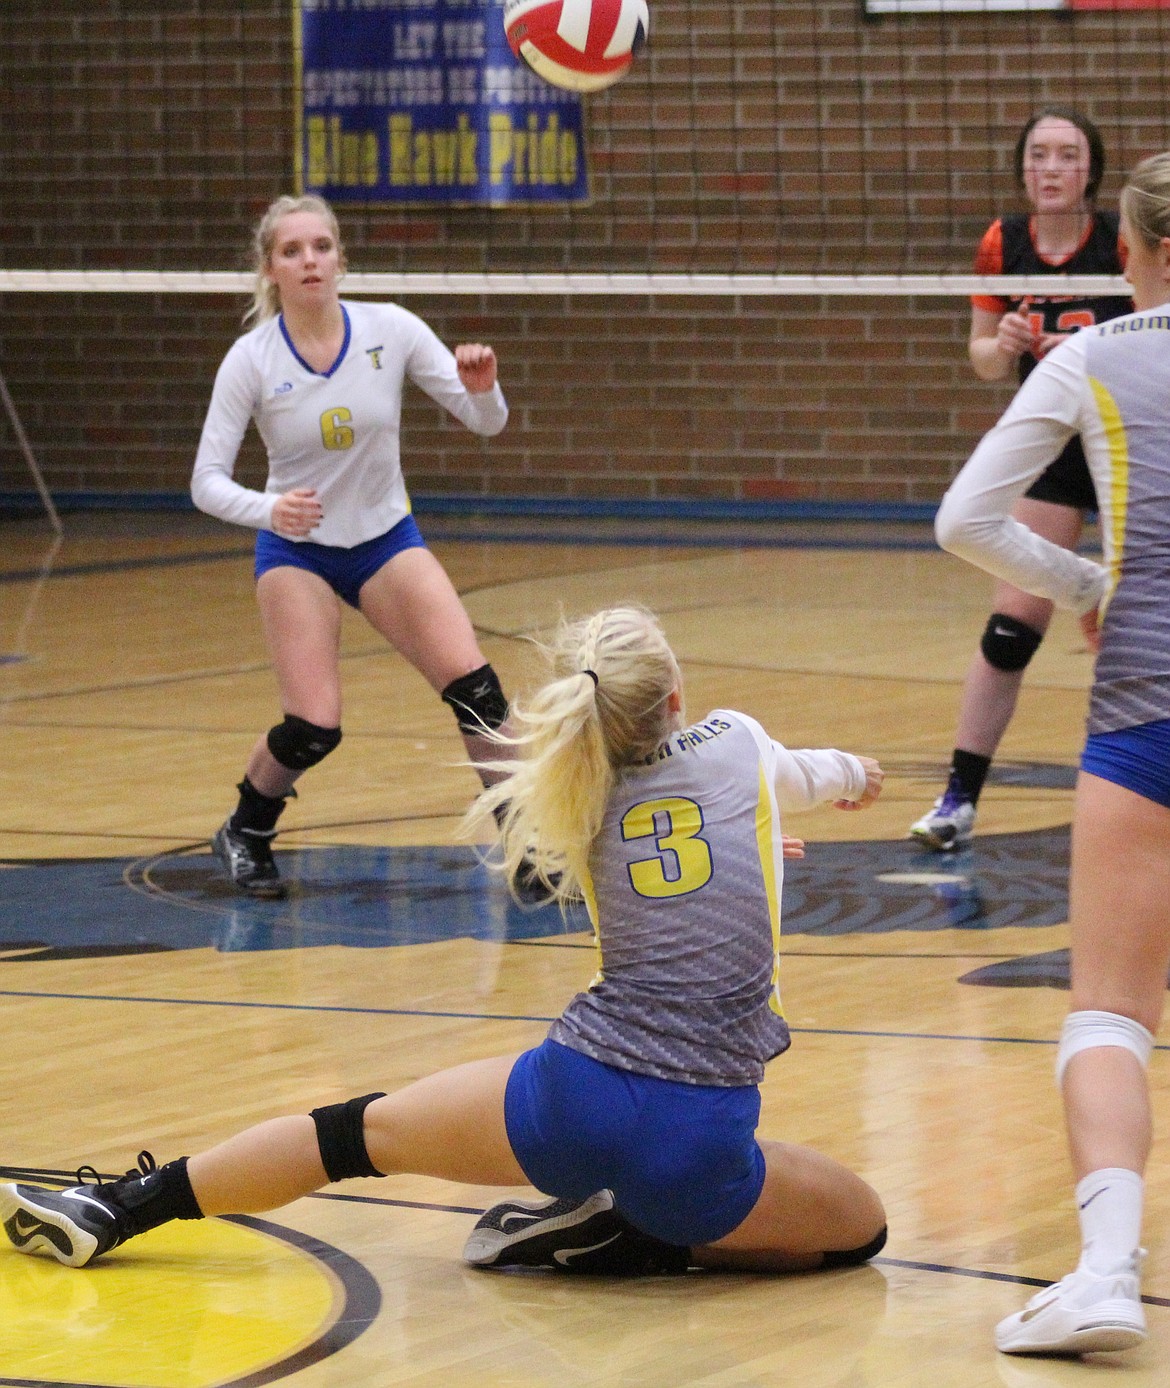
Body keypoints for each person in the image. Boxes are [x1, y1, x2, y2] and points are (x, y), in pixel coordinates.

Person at [0, 606, 888, 1279]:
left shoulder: (572, 800)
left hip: (569, 1097)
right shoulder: (736, 742)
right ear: (677, 701)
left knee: (346, 1137)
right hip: (699, 1137)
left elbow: (650, 864)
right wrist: (849, 785)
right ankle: (645, 1230)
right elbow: (815, 776)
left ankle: (115, 1206)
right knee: (860, 1229)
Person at [933, 153, 1170, 1355]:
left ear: (1141, 253)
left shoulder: (1092, 356)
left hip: (1146, 705)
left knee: (1111, 1014)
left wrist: (1088, 582)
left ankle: (1107, 1271)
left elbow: (963, 519)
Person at [188, 193, 514, 898]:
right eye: (292, 251)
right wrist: (271, 509)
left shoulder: (389, 329)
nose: (310, 261)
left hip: (384, 539)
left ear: (341, 258)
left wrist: (484, 392)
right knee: (314, 725)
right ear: (270, 268)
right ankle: (247, 825)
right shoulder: (252, 358)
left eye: (321, 247)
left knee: (479, 693)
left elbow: (484, 421)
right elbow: (205, 483)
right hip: (298, 551)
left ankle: (528, 845)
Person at [910, 108, 1131, 851]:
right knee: (1011, 630)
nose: (1051, 168)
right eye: (1039, 155)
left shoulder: (1121, 240)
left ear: (1091, 172)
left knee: (1146, 629)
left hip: (1132, 437)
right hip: (1058, 445)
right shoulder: (1002, 244)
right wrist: (1000, 346)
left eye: (1067, 155)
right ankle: (957, 801)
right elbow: (981, 358)